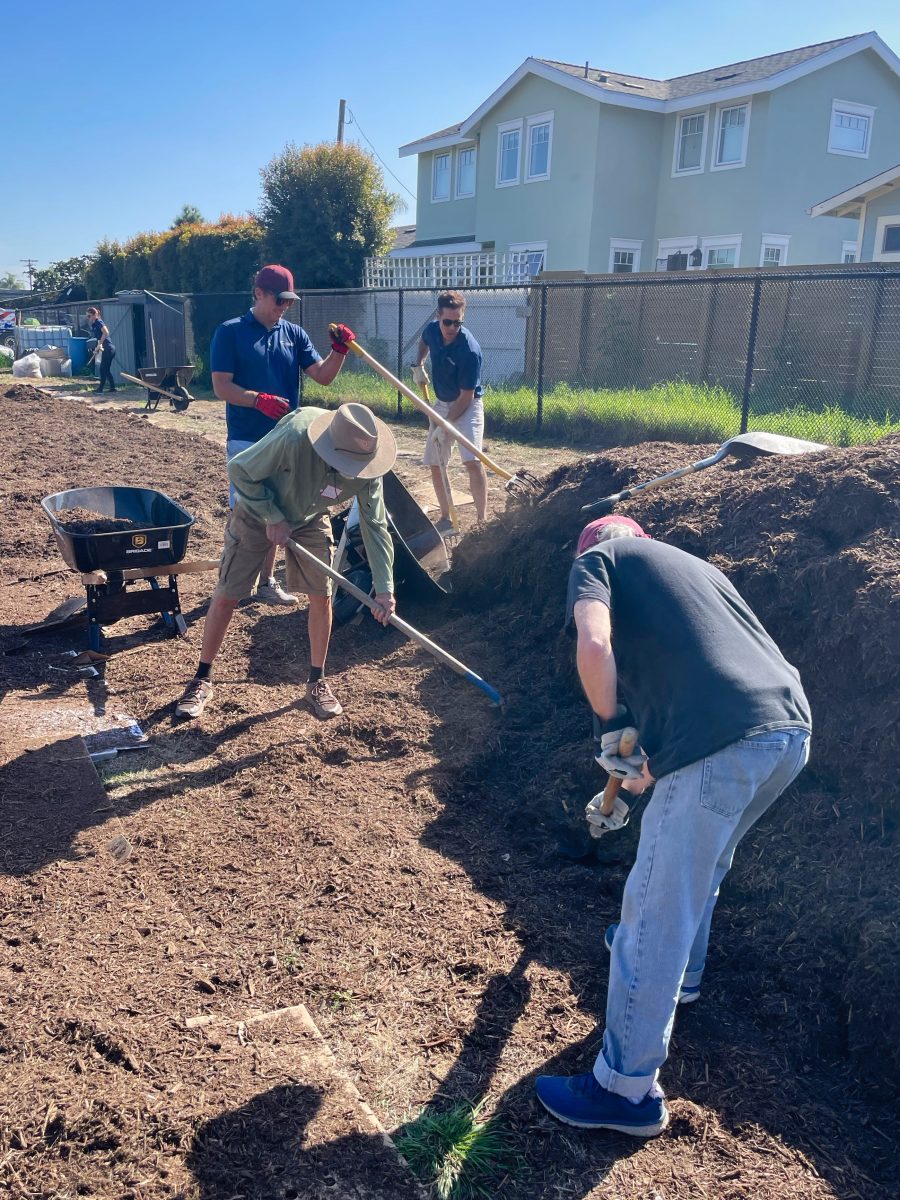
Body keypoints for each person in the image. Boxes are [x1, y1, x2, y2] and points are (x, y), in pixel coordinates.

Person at [535, 516, 811, 1137]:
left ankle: (624, 1091)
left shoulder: (600, 561)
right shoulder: (697, 572)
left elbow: (594, 645)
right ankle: (683, 976)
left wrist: (610, 723)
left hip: (723, 738)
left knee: (655, 911)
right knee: (703, 869)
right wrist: (639, 776)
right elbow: (709, 687)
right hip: (787, 730)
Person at [174, 401, 397, 722]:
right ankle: (202, 678)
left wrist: (384, 588)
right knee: (228, 593)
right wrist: (272, 516)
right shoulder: (295, 437)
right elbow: (239, 470)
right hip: (257, 510)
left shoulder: (368, 465)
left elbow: (374, 525)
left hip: (309, 515)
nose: (354, 470)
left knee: (322, 594)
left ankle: (317, 681)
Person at [211, 264, 350, 606]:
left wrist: (339, 351)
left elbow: (323, 376)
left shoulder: (294, 334)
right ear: (259, 293)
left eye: (289, 301)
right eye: (279, 300)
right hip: (247, 438)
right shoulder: (229, 332)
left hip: (286, 439)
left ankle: (266, 582)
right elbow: (221, 386)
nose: (284, 307)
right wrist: (257, 400)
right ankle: (232, 581)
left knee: (279, 505)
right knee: (245, 508)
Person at [412, 290, 487, 531]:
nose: (452, 327)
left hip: (468, 406)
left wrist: (445, 425)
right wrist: (419, 365)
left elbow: (466, 398)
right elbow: (423, 341)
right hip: (442, 403)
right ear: (438, 316)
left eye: (458, 322)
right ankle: (446, 517)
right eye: (448, 322)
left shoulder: (469, 350)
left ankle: (481, 522)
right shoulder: (433, 330)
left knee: (472, 460)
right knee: (436, 461)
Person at [86, 305, 116, 394]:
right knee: (106, 369)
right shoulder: (94, 324)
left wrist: (99, 344)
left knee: (102, 369)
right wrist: (97, 347)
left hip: (109, 349)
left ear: (94, 315)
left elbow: (106, 333)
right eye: (87, 316)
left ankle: (100, 389)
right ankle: (113, 388)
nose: (88, 318)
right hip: (107, 348)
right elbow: (100, 338)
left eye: (89, 316)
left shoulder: (99, 321)